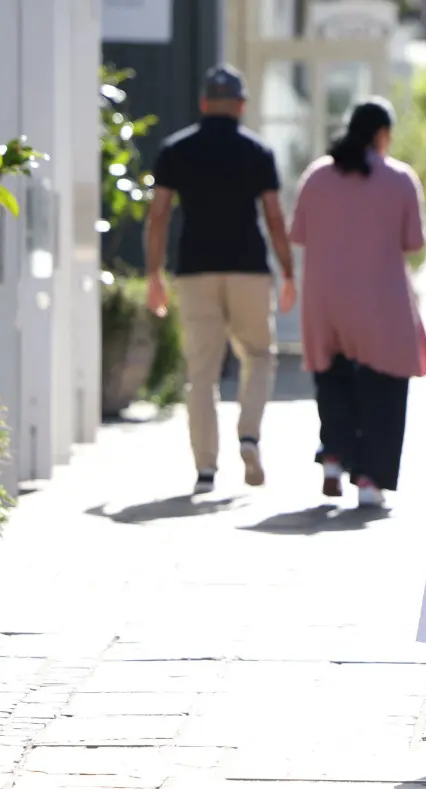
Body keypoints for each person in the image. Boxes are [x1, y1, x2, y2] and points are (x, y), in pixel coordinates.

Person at [146, 64, 296, 496]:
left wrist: (154, 273)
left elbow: (159, 215)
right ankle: (248, 435)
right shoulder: (257, 151)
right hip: (249, 267)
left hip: (195, 270)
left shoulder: (176, 150)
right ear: (242, 105)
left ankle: (206, 470)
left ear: (203, 103)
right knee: (260, 356)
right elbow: (273, 215)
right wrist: (287, 271)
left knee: (202, 374)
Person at [289, 98, 426, 508]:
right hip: (379, 301)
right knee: (383, 387)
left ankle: (333, 456)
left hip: (324, 299)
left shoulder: (317, 176)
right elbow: (415, 242)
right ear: (383, 134)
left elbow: (299, 233)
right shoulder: (400, 179)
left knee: (332, 378)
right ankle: (369, 480)